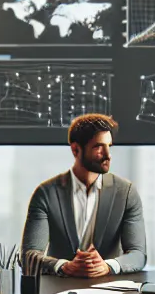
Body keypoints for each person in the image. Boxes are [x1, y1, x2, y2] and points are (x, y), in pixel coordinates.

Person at [21, 113, 147, 277]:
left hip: (110, 292)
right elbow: (28, 255)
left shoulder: (126, 192)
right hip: (58, 293)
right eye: (98, 147)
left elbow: (138, 255)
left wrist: (107, 266)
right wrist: (63, 266)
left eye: (109, 146)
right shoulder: (46, 193)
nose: (108, 155)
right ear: (75, 150)